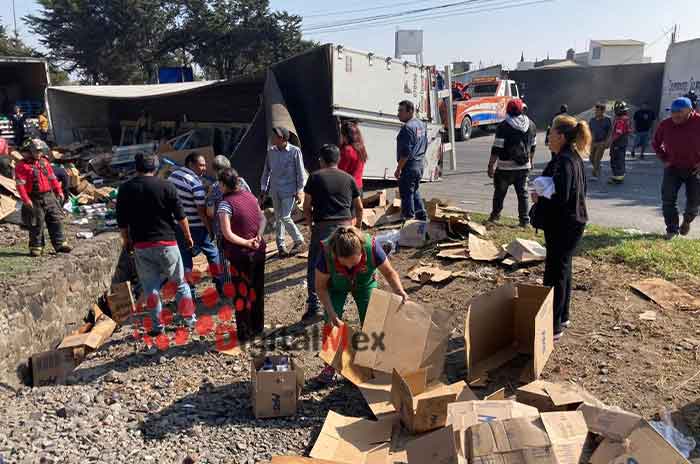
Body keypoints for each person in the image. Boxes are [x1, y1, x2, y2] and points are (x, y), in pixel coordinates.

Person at [116, 153, 195, 346]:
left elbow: (122, 223)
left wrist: (127, 242)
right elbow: (180, 215)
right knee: (180, 283)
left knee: (150, 288)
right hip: (167, 243)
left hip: (142, 246)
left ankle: (157, 326)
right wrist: (188, 236)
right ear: (156, 168)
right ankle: (188, 320)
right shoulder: (166, 186)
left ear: (137, 167)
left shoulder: (125, 189)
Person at [315, 226, 408, 383]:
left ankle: (372, 363)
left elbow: (390, 273)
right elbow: (321, 288)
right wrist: (332, 313)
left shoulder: (372, 247)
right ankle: (330, 365)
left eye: (354, 263)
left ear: (361, 253)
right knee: (331, 324)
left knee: (373, 321)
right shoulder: (326, 254)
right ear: (336, 256)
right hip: (335, 287)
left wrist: (400, 291)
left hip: (365, 283)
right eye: (345, 264)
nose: (350, 267)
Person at [532, 115, 589, 341]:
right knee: (563, 268)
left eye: (552, 133)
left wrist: (540, 199)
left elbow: (562, 198)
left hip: (563, 224)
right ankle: (562, 316)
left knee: (555, 273)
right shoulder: (570, 157)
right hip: (572, 222)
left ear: (562, 136)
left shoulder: (565, 161)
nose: (548, 137)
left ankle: (553, 326)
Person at [302, 144, 363, 322]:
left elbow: (307, 206)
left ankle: (314, 307)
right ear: (338, 160)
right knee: (343, 263)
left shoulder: (314, 177)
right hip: (346, 225)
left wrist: (310, 224)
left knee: (316, 265)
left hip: (323, 226)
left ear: (321, 160)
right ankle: (343, 302)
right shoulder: (349, 178)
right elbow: (359, 207)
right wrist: (356, 228)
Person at [217, 168, 266, 342]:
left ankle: (245, 333)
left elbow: (227, 233)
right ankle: (258, 328)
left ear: (223, 185)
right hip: (258, 251)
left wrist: (246, 243)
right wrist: (258, 236)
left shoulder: (224, 204)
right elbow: (263, 219)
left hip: (240, 255)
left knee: (242, 293)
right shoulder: (251, 197)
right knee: (257, 289)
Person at [168, 153, 224, 296]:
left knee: (185, 260)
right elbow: (201, 210)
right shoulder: (195, 183)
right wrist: (209, 228)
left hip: (179, 226)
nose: (204, 168)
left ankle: (190, 294)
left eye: (205, 165)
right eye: (201, 165)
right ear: (191, 165)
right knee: (213, 253)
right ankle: (221, 285)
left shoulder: (172, 177)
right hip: (197, 226)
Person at [652, 97, 700, 240]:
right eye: (672, 112)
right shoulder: (666, 124)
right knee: (667, 199)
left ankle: (687, 221)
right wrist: (664, 158)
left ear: (691, 111)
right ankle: (672, 229)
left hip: (695, 169)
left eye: (679, 112)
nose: (675, 115)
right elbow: (655, 143)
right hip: (673, 167)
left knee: (694, 202)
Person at [14, 139, 72, 257]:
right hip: (34, 198)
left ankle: (60, 244)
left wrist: (59, 191)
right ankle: (36, 246)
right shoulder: (21, 166)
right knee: (36, 223)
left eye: (40, 151)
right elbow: (20, 185)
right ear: (29, 152)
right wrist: (26, 200)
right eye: (36, 151)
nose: (39, 153)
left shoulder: (44, 162)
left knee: (56, 219)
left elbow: (52, 178)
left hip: (49, 196)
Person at [487, 98, 535, 228]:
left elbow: (497, 148)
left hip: (504, 168)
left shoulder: (503, 126)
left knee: (499, 193)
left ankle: (495, 217)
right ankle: (524, 221)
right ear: (521, 110)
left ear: (508, 110)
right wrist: (531, 161)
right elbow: (533, 147)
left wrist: (491, 165)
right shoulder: (531, 124)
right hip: (524, 167)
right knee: (523, 194)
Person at [260, 127, 306, 257]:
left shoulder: (294, 151)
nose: (272, 139)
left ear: (282, 138)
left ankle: (299, 240)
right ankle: (281, 246)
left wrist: (299, 190)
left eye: (274, 136)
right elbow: (266, 172)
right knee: (279, 218)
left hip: (289, 190)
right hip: (275, 190)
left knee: (285, 217)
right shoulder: (271, 152)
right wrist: (263, 189)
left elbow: (300, 173)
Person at [395, 100, 428, 221]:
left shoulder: (407, 128)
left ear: (410, 111)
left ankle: (409, 220)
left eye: (401, 111)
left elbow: (405, 152)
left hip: (410, 165)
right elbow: (425, 144)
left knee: (407, 194)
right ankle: (422, 217)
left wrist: (399, 168)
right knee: (414, 191)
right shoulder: (421, 125)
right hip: (419, 164)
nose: (398, 114)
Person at [338, 121, 368, 193]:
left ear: (344, 135)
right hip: (359, 187)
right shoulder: (361, 148)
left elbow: (340, 172)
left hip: (347, 189)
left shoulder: (347, 150)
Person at [608, 101, 632, 185]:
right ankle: (620, 175)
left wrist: (611, 141)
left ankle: (617, 178)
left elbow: (618, 133)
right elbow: (629, 130)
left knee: (615, 159)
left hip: (618, 143)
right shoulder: (627, 118)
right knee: (621, 158)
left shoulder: (620, 120)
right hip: (623, 142)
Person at [588, 103, 612, 180]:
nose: (596, 112)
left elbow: (610, 131)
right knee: (591, 158)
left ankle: (595, 174)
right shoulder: (592, 120)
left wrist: (608, 141)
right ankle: (598, 166)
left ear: (603, 111)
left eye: (598, 110)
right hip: (593, 142)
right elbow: (589, 131)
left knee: (597, 158)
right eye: (596, 110)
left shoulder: (607, 120)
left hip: (602, 142)